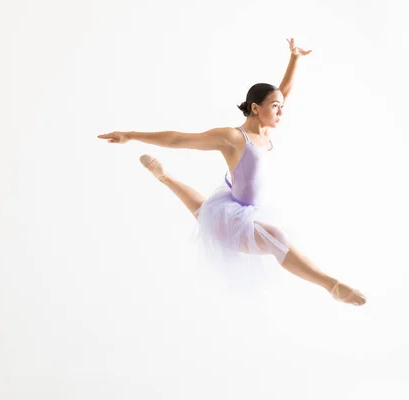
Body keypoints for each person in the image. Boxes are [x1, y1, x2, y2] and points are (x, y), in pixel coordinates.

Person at [98, 38, 366, 306]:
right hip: (236, 222)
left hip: (246, 209)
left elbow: (284, 91)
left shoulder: (269, 129)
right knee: (274, 236)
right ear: (255, 108)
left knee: (204, 210)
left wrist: (294, 59)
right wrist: (130, 135)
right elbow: (178, 139)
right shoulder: (233, 138)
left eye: (281, 107)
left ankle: (163, 176)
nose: (282, 111)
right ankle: (331, 285)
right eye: (275, 107)